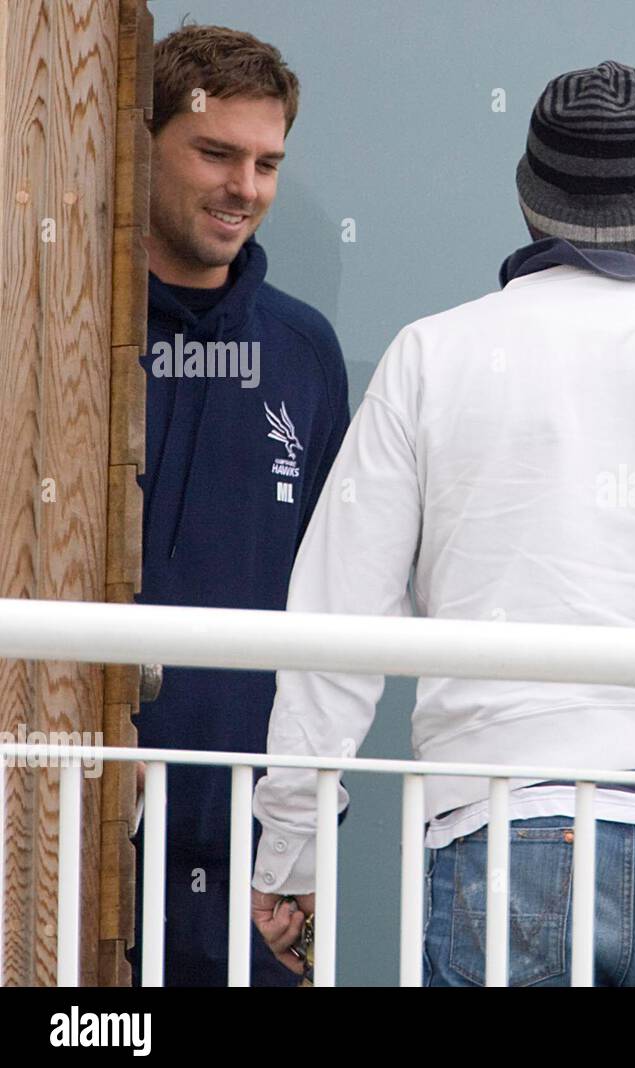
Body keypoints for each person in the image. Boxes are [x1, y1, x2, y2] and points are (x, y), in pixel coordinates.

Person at [249, 61, 635, 987]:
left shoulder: (429, 356)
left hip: (494, 822)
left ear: (529, 200)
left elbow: (338, 619)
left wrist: (291, 849)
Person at [130, 25, 350, 987]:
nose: (245, 188)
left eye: (266, 163)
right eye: (216, 152)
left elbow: (338, 611)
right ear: (142, 142)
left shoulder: (303, 352)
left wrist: (303, 832)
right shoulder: (52, 328)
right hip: (59, 815)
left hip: (244, 849)